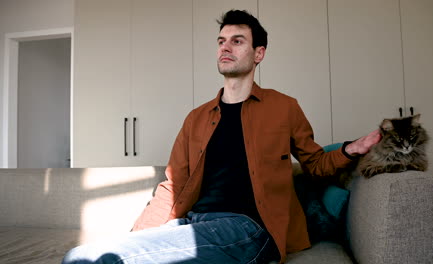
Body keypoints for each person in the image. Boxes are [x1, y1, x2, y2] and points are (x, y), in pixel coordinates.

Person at [63, 10, 380, 264]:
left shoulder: (284, 107)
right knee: (95, 253)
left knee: (82, 259)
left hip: (250, 228)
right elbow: (171, 188)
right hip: (195, 223)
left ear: (259, 54)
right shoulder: (196, 118)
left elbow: (316, 164)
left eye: (237, 41)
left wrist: (352, 149)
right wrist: (135, 239)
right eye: (221, 41)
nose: (225, 47)